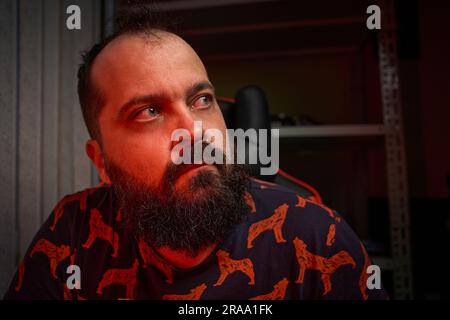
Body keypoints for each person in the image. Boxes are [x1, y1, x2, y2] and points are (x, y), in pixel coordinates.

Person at [4, 6, 387, 300]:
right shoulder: (72, 235)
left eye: (201, 100)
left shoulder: (319, 239)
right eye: (149, 112)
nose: (194, 131)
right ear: (101, 162)